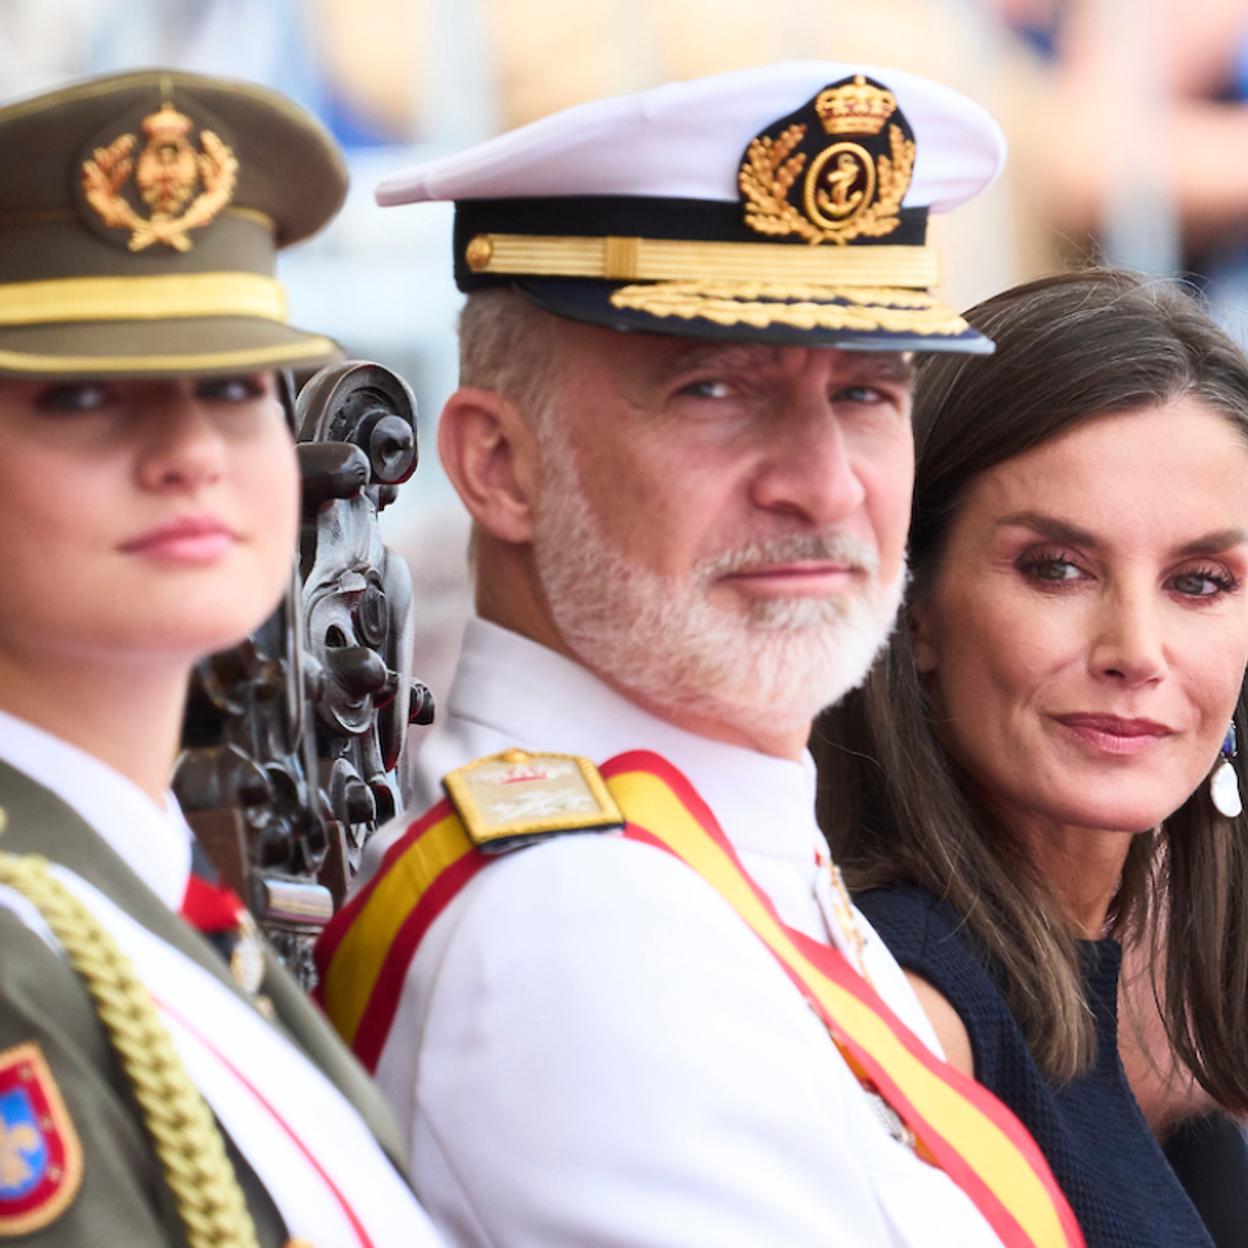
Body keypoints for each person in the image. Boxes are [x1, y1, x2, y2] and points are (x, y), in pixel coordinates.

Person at [315, 62, 1084, 1248]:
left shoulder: (709, 846)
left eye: (869, 393)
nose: (823, 483)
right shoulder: (581, 928)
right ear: (498, 466)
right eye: (715, 387)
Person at [0, 69, 444, 1247]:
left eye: (237, 386)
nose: (190, 452)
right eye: (87, 394)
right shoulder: (22, 948)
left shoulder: (150, 888)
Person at [814, 267, 1248, 1248]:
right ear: (915, 606)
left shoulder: (1074, 984)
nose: (1135, 649)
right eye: (1056, 568)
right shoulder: (916, 1012)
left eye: (1200, 581)